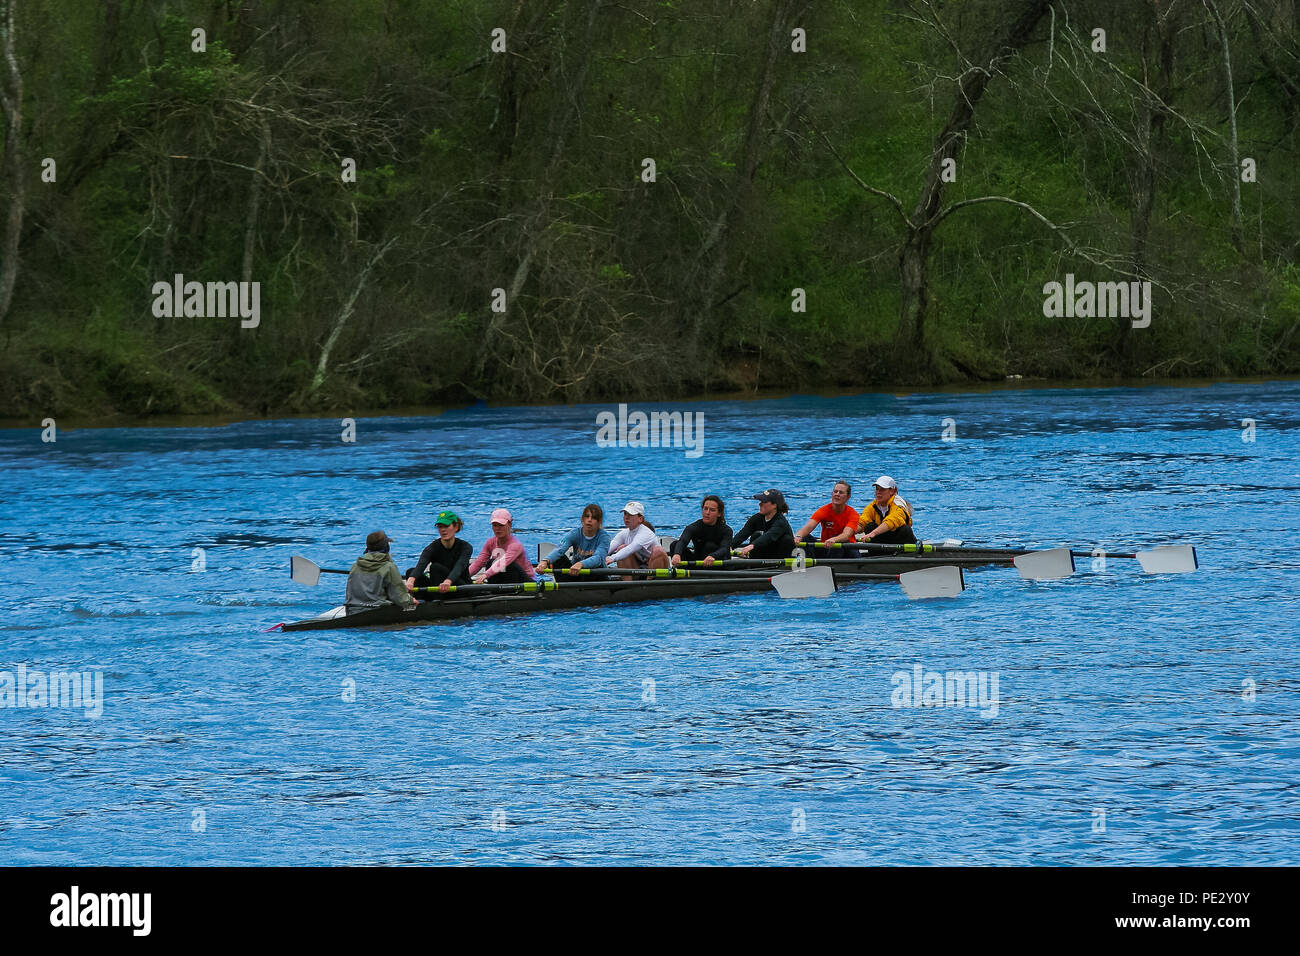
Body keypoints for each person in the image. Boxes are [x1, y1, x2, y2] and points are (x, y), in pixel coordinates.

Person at [345, 530, 415, 613]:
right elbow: (400, 599)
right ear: (386, 547)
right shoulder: (389, 567)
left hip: (353, 609)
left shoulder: (355, 566)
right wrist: (411, 600)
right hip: (379, 611)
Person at [405, 511, 473, 594]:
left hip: (461, 588)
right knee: (410, 572)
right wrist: (410, 581)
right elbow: (421, 564)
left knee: (436, 568)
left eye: (446, 526)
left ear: (456, 527)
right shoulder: (432, 547)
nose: (443, 530)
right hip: (439, 587)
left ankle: (435, 600)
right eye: (440, 527)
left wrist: (448, 581)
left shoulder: (466, 547)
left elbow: (459, 566)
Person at [537, 504, 612, 577]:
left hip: (596, 575)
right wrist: (545, 561)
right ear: (582, 519)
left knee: (596, 565)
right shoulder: (575, 533)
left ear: (599, 522)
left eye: (594, 518)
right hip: (575, 572)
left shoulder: (604, 537)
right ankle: (564, 586)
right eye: (587, 516)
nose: (589, 520)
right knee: (558, 558)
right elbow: (559, 550)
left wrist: (581, 564)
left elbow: (598, 558)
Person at [468, 508, 540, 584]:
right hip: (507, 579)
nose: (498, 529)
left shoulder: (515, 545)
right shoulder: (490, 543)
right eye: (495, 525)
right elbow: (479, 563)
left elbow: (504, 562)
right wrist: (463, 577)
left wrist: (486, 574)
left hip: (527, 582)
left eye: (501, 525)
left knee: (508, 565)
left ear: (510, 524)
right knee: (490, 563)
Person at [606, 501, 669, 573]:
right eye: (625, 514)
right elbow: (609, 548)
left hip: (658, 566)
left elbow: (631, 548)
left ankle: (651, 582)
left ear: (640, 519)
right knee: (621, 548)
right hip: (639, 566)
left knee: (657, 551)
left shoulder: (645, 533)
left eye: (631, 514)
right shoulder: (624, 533)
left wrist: (611, 558)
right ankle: (627, 583)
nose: (626, 517)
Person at [670, 495, 732, 567]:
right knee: (674, 545)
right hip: (699, 562)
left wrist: (713, 556)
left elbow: (724, 548)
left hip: (717, 564)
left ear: (719, 514)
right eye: (705, 509)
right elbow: (683, 541)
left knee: (709, 546)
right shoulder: (695, 526)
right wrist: (677, 554)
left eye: (712, 510)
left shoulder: (727, 530)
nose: (707, 513)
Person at [732, 489, 796, 559]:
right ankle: (753, 563)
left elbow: (770, 536)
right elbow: (742, 534)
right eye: (760, 501)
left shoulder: (781, 522)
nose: (760, 504)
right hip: (766, 554)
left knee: (786, 540)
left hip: (782, 556)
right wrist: (729, 546)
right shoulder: (756, 518)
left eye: (764, 502)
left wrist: (752, 546)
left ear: (774, 505)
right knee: (756, 536)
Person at [793, 480, 859, 546]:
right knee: (805, 537)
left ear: (848, 496)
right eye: (835, 491)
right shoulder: (823, 510)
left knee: (839, 542)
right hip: (826, 546)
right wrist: (798, 536)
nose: (837, 494)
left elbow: (846, 535)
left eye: (841, 492)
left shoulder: (853, 514)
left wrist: (834, 539)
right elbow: (808, 527)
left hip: (848, 548)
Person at [857, 475, 916, 544]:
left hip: (899, 540)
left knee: (905, 529)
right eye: (877, 489)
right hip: (883, 539)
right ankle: (877, 552)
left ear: (892, 491)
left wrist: (873, 533)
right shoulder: (872, 506)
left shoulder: (898, 505)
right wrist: (848, 534)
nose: (878, 492)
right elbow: (862, 522)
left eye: (882, 489)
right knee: (869, 526)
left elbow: (891, 521)